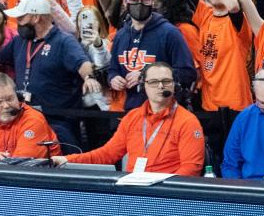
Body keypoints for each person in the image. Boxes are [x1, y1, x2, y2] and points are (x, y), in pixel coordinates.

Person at [52, 62, 206, 175]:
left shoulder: (187, 122)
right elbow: (107, 154)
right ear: (142, 86)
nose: (160, 86)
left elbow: (191, 169)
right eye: (153, 82)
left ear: (175, 86)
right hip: (133, 192)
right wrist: (68, 160)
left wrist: (163, 191)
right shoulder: (132, 117)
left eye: (166, 81)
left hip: (167, 196)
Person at [0, 0, 102, 147]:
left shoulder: (64, 41)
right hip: (26, 118)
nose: (17, 22)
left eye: (21, 17)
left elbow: (82, 63)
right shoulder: (20, 41)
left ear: (36, 17)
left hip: (59, 121)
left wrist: (89, 77)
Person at [108, 0, 197, 112]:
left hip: (165, 111)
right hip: (132, 111)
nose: (139, 3)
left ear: (153, 0)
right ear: (125, 2)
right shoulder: (120, 35)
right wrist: (113, 79)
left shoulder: (169, 33)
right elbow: (113, 69)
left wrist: (147, 76)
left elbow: (188, 73)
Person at [0, 73, 60, 163]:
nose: (6, 105)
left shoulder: (33, 120)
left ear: (18, 96)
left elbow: (20, 164)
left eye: (10, 99)